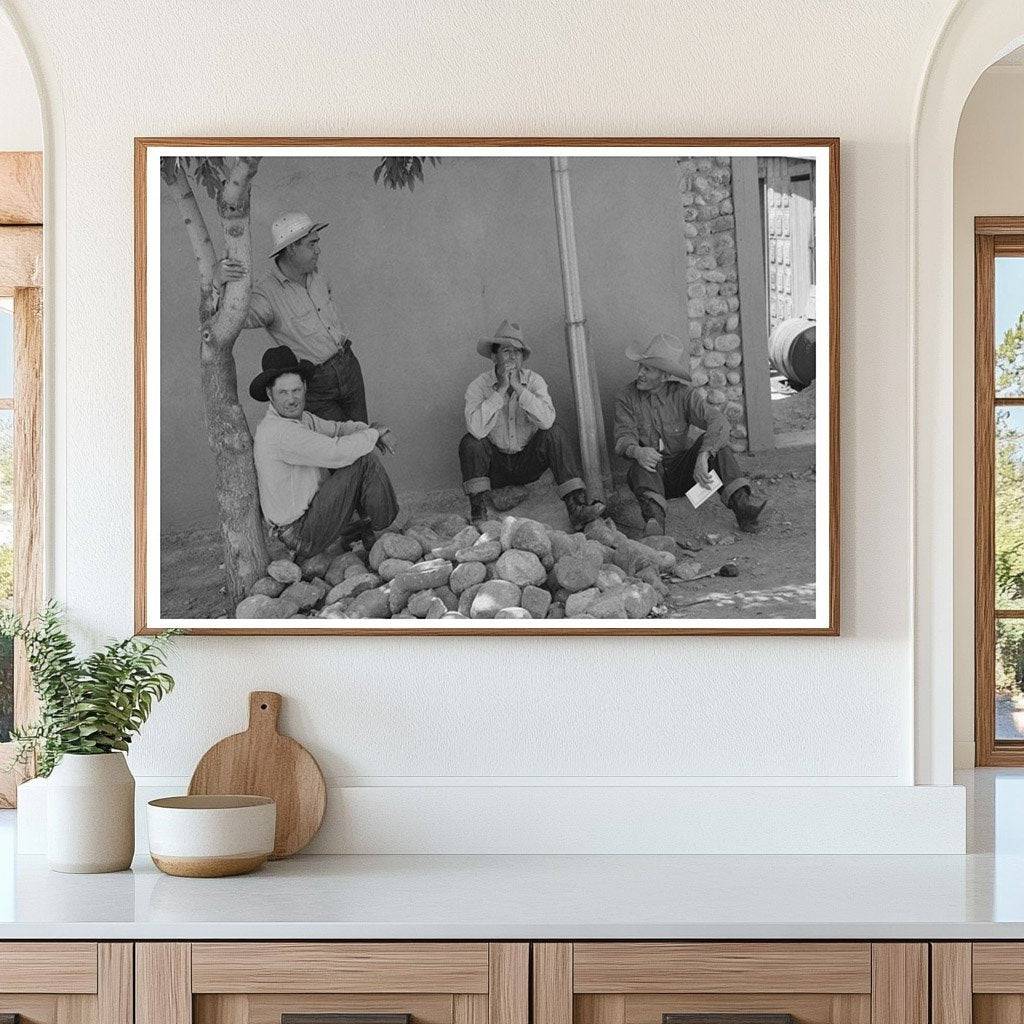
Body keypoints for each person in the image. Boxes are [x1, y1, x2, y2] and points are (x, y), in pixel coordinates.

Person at [250, 344, 398, 561]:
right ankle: (386, 533)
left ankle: (360, 530)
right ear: (270, 395)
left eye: (296, 390)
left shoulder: (302, 419)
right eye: (283, 392)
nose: (291, 399)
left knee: (356, 453)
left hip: (312, 515)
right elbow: (336, 453)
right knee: (363, 461)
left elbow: (338, 429)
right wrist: (375, 434)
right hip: (300, 533)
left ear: (305, 387)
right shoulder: (279, 432)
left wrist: (371, 430)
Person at [216, 212, 367, 423]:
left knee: (362, 435)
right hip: (317, 383)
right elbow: (231, 318)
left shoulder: (318, 274)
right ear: (291, 248)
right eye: (311, 244)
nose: (318, 250)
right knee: (339, 446)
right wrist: (217, 285)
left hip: (349, 364)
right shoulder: (267, 294)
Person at [613, 333, 767, 535]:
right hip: (652, 475)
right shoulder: (626, 397)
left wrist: (703, 456)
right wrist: (636, 452)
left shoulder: (683, 394)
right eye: (640, 367)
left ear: (665, 376)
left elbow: (719, 422)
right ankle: (656, 525)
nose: (640, 373)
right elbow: (623, 437)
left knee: (717, 447)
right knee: (639, 467)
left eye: (647, 369)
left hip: (685, 475)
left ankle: (744, 510)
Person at [459, 319, 606, 529]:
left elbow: (547, 421)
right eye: (506, 351)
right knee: (470, 443)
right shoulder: (478, 386)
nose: (512, 356)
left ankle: (577, 507)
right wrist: (500, 390)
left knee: (555, 433)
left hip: (527, 462)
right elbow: (475, 429)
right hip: (495, 466)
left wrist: (519, 389)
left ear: (522, 358)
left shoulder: (534, 381)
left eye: (517, 352)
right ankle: (479, 514)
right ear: (494, 356)